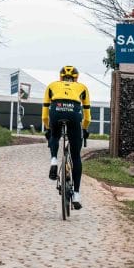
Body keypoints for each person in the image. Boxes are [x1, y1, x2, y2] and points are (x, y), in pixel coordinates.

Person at [42, 65, 91, 210]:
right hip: (74, 114)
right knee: (76, 156)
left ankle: (54, 160)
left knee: (55, 136)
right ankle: (76, 194)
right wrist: (84, 128)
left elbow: (45, 114)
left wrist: (48, 128)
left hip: (56, 111)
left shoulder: (51, 86)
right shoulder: (82, 87)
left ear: (60, 77)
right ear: (76, 78)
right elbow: (87, 115)